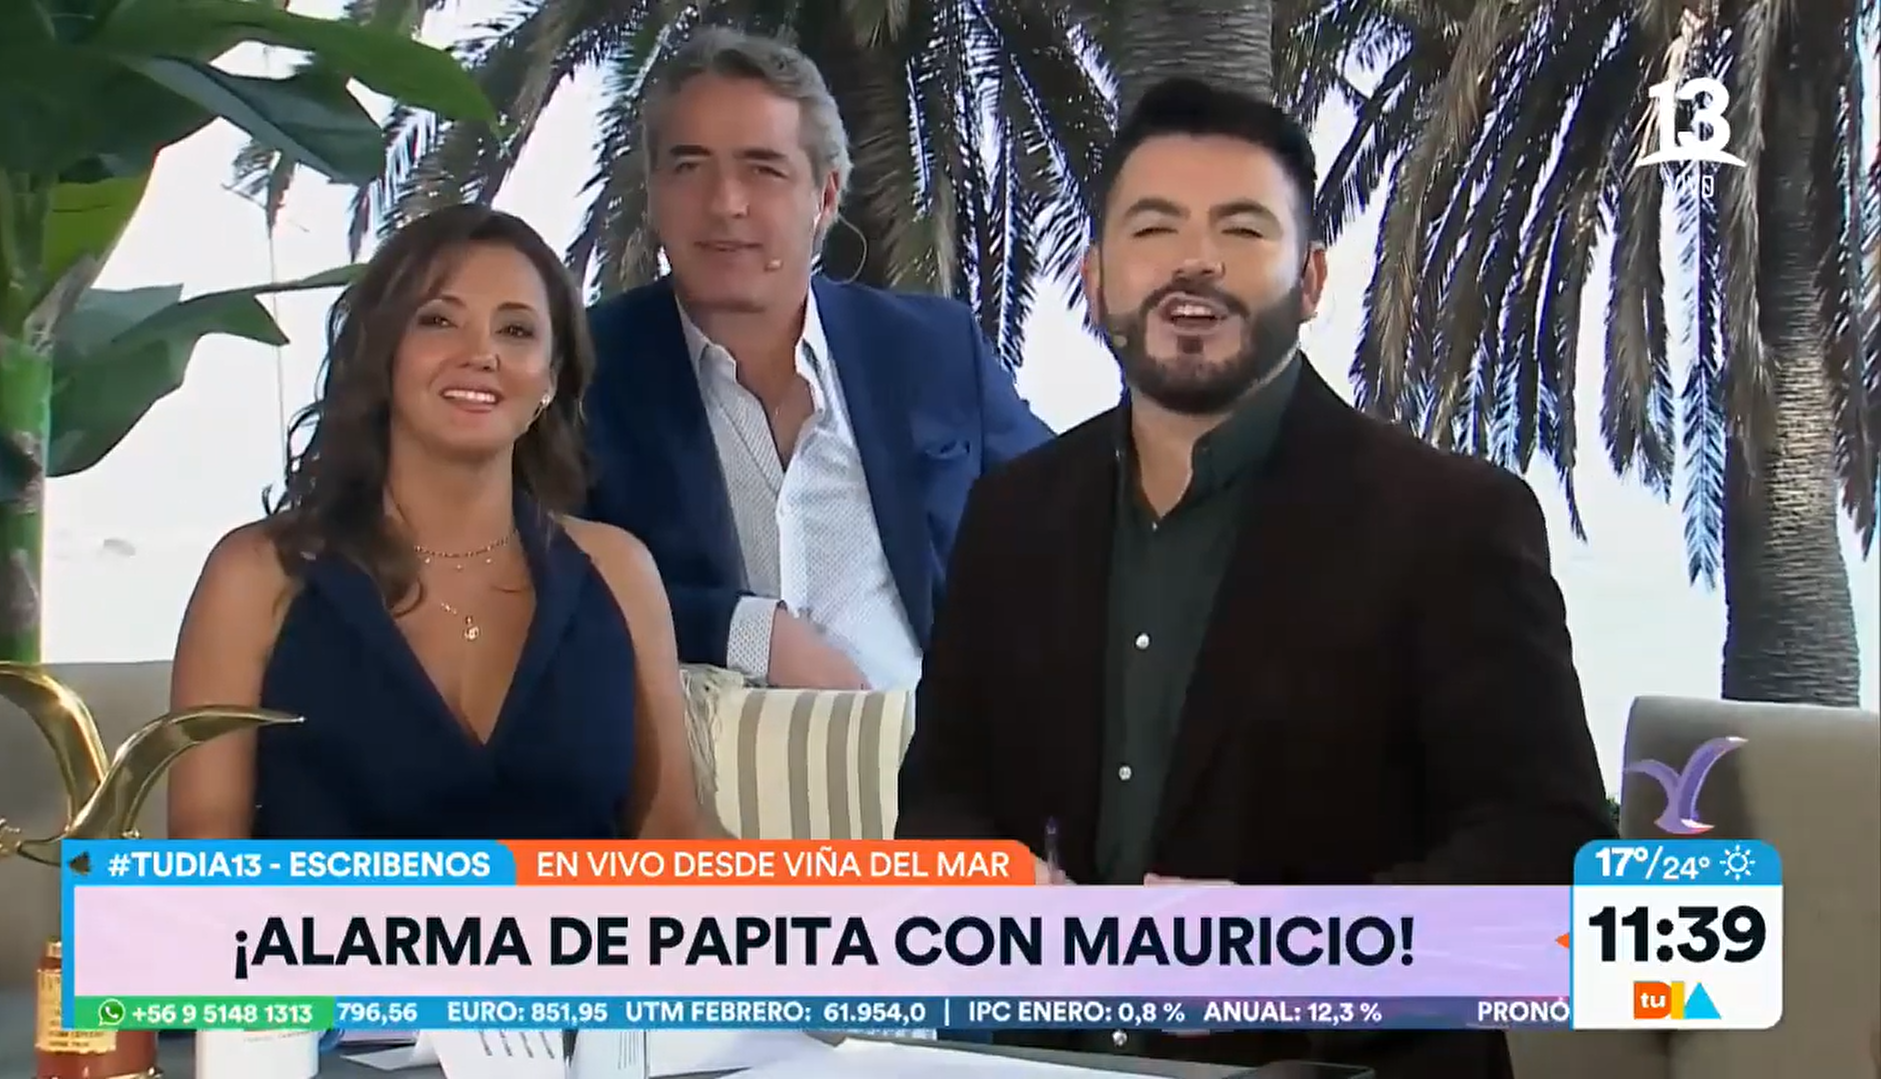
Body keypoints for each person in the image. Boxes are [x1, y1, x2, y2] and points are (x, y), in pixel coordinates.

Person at [895, 78, 1615, 1078]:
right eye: (1154, 228)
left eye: (1240, 228)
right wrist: (990, 887)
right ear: (1094, 278)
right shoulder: (1011, 513)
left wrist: (1282, 949)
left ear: (1310, 279)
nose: (1193, 261)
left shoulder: (1451, 521)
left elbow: (1547, 854)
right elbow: (940, 795)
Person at [166, 204, 707, 842]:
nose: (481, 353)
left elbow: (675, 838)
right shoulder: (257, 578)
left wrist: (811, 893)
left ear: (549, 380)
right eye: (439, 320)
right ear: (385, 353)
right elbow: (202, 861)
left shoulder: (618, 571)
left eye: (515, 331)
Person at [583, 28, 1051, 691]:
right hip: (705, 754)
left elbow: (1072, 519)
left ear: (825, 197)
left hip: (928, 747)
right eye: (689, 167)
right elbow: (532, 577)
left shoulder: (931, 348)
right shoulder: (587, 370)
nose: (725, 203)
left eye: (763, 169)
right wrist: (748, 631)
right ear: (654, 193)